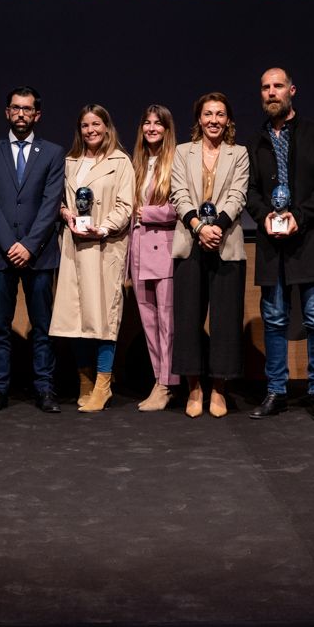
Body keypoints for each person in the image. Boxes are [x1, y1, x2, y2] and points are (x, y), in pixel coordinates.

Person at [246, 68, 314, 423]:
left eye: (277, 86)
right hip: (273, 244)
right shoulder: (254, 141)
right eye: (265, 87)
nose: (271, 92)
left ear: (292, 90)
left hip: (311, 239)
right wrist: (266, 217)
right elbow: (250, 192)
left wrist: (298, 216)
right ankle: (276, 391)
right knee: (274, 319)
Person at [0, 87, 66, 414]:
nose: (21, 114)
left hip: (40, 253)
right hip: (0, 254)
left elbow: (51, 204)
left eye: (27, 109)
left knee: (43, 325)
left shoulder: (53, 153)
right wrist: (9, 244)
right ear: (7, 112)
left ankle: (45, 387)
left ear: (37, 115)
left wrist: (29, 246)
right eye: (15, 108)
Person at [48, 104, 134, 412]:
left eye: (96, 124)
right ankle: (83, 381)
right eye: (85, 125)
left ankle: (102, 384)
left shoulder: (120, 161)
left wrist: (104, 227)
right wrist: (66, 213)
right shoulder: (69, 162)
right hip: (73, 248)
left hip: (104, 248)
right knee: (76, 317)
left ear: (107, 127)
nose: (91, 130)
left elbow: (126, 206)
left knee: (104, 319)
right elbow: (57, 200)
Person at [169, 92, 249, 418]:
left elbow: (239, 193)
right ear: (199, 119)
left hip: (227, 243)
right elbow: (178, 193)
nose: (213, 120)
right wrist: (198, 228)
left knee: (226, 321)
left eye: (219, 114)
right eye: (207, 114)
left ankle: (218, 389)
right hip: (189, 242)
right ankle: (193, 389)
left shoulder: (239, 152)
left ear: (228, 120)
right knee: (188, 319)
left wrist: (215, 228)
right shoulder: (181, 152)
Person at [128, 106, 179, 411]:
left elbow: (181, 207)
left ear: (167, 129)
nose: (151, 127)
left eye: (157, 123)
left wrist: (147, 213)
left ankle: (167, 383)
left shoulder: (176, 161)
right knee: (149, 323)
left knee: (166, 322)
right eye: (146, 122)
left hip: (164, 251)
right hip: (137, 252)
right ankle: (159, 380)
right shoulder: (136, 163)